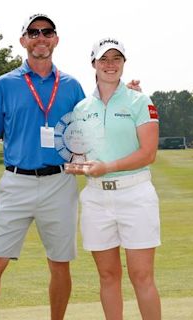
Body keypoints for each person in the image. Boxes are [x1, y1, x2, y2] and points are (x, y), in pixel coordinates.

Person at [0, 14, 141, 320]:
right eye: (34, 32)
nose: (41, 38)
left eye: (47, 32)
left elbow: (94, 114)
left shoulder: (70, 86)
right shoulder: (5, 84)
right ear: (23, 40)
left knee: (60, 263)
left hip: (60, 183)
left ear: (56, 39)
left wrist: (124, 92)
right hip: (15, 182)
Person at [66, 37, 161, 320]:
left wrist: (106, 167)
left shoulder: (140, 100)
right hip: (96, 197)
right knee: (107, 276)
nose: (110, 65)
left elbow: (148, 153)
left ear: (123, 63)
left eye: (116, 59)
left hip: (135, 194)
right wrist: (77, 165)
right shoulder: (81, 108)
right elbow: (80, 154)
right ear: (93, 63)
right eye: (104, 59)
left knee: (141, 276)